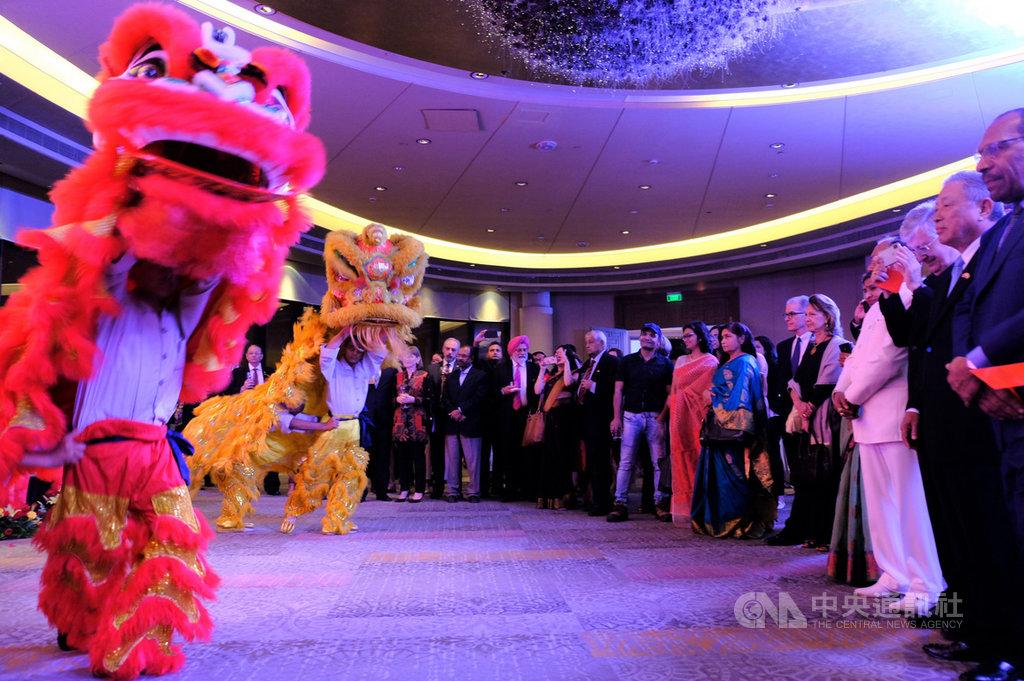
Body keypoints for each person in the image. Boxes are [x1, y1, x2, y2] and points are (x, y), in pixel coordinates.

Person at [879, 171, 1013, 666]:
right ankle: (970, 628)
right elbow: (919, 343)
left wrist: (915, 283)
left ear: (982, 210)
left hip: (974, 417)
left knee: (983, 532)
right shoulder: (951, 276)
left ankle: (995, 640)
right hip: (938, 417)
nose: (934, 228)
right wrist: (915, 404)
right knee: (954, 532)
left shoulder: (987, 264)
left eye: (943, 211)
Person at [947, 108, 1024, 681]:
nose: (983, 162)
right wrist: (977, 379)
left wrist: (981, 362)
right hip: (1003, 411)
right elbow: (974, 312)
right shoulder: (1008, 229)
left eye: (997, 148)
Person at [833, 231, 945, 618]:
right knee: (880, 504)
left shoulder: (908, 297)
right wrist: (840, 390)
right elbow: (859, 357)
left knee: (908, 503)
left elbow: (891, 357)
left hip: (892, 411)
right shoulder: (878, 304)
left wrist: (853, 395)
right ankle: (892, 572)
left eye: (883, 262)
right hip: (866, 417)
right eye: (873, 264)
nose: (875, 269)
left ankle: (924, 581)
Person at [281, 330, 386, 535]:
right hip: (334, 426)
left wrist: (379, 325)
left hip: (355, 428)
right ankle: (292, 512)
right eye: (351, 348)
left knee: (351, 476)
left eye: (359, 350)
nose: (355, 353)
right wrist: (347, 328)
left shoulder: (366, 369)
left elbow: (379, 349)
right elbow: (329, 350)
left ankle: (337, 518)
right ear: (344, 349)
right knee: (315, 473)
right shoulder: (333, 368)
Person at [691, 322, 771, 538]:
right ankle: (719, 520)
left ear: (742, 339)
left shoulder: (745, 362)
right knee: (719, 477)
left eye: (728, 336)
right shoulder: (728, 362)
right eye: (722, 337)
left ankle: (737, 522)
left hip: (733, 429)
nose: (723, 340)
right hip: (718, 428)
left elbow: (740, 397)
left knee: (734, 477)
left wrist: (713, 396)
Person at [787, 294, 846, 551]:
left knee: (826, 476)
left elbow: (829, 381)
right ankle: (813, 531)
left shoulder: (837, 344)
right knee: (810, 478)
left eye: (813, 314)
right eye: (807, 314)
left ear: (828, 317)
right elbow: (795, 381)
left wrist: (808, 408)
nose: (808, 319)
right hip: (808, 415)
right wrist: (799, 405)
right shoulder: (812, 345)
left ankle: (826, 535)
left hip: (825, 418)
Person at [607, 322, 674, 523]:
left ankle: (659, 504)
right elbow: (618, 391)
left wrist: (662, 416)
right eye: (644, 334)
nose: (647, 337)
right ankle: (620, 504)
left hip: (655, 417)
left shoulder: (665, 363)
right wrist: (616, 417)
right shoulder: (627, 361)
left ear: (658, 339)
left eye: (652, 335)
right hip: (630, 416)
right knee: (626, 462)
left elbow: (670, 394)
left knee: (658, 464)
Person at [827, 339, 880, 586]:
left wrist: (849, 396)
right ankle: (854, 562)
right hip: (855, 417)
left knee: (879, 497)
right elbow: (852, 365)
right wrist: (839, 392)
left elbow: (885, 363)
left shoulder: (887, 324)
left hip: (877, 416)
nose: (867, 298)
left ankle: (883, 568)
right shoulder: (863, 338)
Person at [766, 296, 813, 545]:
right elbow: (780, 380)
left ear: (808, 314)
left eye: (791, 314)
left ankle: (813, 526)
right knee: (796, 472)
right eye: (785, 314)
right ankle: (796, 526)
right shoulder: (784, 346)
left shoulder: (821, 342)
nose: (787, 318)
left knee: (815, 472)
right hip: (788, 417)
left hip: (815, 414)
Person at [668, 322, 719, 523]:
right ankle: (685, 508)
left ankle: (704, 507)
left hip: (698, 415)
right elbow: (674, 389)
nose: (685, 339)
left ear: (700, 337)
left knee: (699, 456)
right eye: (684, 336)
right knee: (681, 456)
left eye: (689, 335)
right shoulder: (680, 360)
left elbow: (709, 391)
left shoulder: (711, 361)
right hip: (679, 415)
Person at [576, 330, 620, 516]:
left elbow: (615, 390)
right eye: (586, 341)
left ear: (602, 343)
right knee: (592, 462)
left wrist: (592, 386)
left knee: (601, 462)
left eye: (591, 341)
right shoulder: (588, 364)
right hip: (588, 419)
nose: (587, 345)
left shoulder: (612, 363)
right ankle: (594, 498)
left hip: (603, 419)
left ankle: (603, 502)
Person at [533, 345, 582, 509]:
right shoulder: (552, 375)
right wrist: (542, 369)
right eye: (556, 354)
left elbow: (568, 382)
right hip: (550, 418)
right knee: (549, 457)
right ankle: (547, 495)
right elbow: (537, 390)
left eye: (560, 354)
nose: (557, 356)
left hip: (565, 419)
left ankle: (563, 495)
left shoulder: (574, 372)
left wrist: (567, 362)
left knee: (562, 456)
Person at [493, 336, 540, 501]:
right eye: (519, 350)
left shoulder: (534, 368)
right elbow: (490, 394)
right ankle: (509, 489)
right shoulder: (500, 368)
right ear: (512, 352)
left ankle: (527, 489)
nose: (522, 353)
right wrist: (502, 391)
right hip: (507, 417)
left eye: (525, 350)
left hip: (527, 416)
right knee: (508, 453)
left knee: (527, 454)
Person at [442, 345, 489, 502]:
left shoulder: (480, 375)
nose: (460, 358)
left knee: (472, 461)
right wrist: (454, 412)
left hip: (471, 423)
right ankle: (453, 491)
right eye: (459, 355)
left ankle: (473, 492)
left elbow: (479, 398)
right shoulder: (452, 376)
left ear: (471, 358)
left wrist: (461, 410)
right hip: (452, 424)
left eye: (463, 355)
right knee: (452, 461)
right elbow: (445, 398)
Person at [393, 346, 433, 503]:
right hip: (401, 421)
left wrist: (414, 400)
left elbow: (430, 399)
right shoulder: (398, 376)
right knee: (402, 457)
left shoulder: (425, 376)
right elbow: (390, 398)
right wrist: (396, 400)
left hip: (417, 421)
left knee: (418, 457)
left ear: (418, 359)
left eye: (411, 356)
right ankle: (403, 488)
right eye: (404, 356)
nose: (407, 358)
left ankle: (419, 489)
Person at [426, 338, 460, 498]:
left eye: (453, 350)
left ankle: (455, 488)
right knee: (436, 452)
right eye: (447, 349)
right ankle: (437, 487)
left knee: (454, 453)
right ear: (443, 348)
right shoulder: (432, 369)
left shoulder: (461, 369)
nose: (450, 352)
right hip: (436, 416)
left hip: (454, 415)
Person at [363, 363, 397, 502]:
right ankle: (362, 490)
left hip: (384, 420)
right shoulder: (363, 369)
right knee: (364, 457)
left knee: (383, 456)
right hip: (366, 419)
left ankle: (381, 491)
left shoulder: (390, 372)